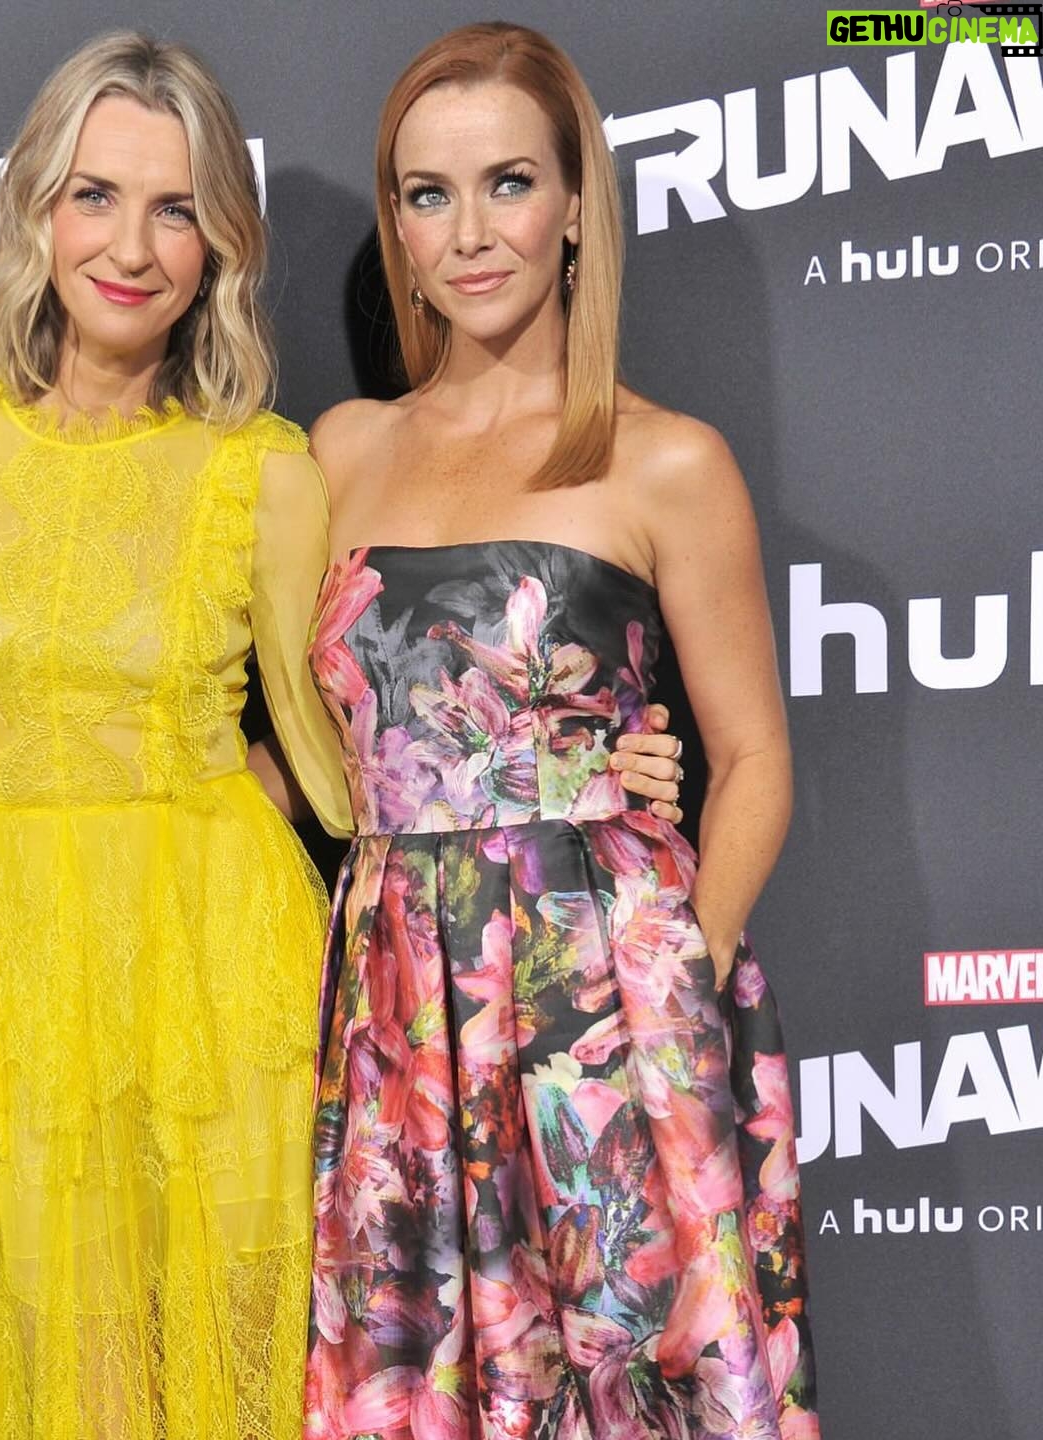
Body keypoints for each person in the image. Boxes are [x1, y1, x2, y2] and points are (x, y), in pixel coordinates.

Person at [0, 28, 686, 1439]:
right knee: (68, 1385)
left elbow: (358, 766)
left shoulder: (266, 474)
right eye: (95, 195)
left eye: (175, 209)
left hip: (230, 986)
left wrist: (575, 761)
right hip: (14, 986)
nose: (132, 247)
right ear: (36, 208)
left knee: (257, 1386)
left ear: (219, 244)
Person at [302, 22, 819, 1440]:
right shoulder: (337, 454)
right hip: (401, 1021)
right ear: (399, 228)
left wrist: (671, 980)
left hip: (612, 1017)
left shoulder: (667, 459)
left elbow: (755, 760)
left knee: (634, 1390)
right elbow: (310, 742)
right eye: (429, 194)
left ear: (578, 204)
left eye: (510, 183)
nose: (470, 233)